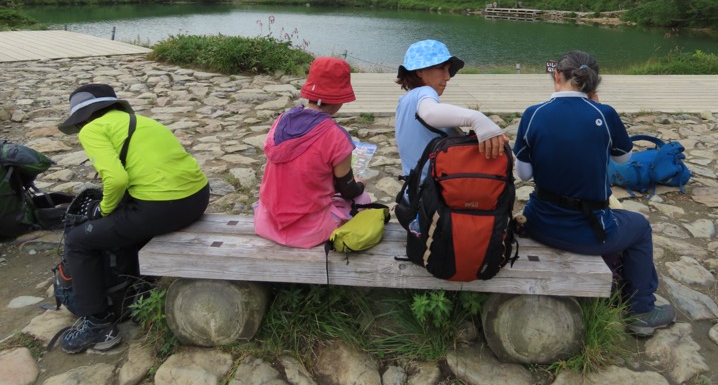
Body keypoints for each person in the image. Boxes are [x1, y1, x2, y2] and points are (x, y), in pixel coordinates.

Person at [513, 51, 676, 336]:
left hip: (541, 225)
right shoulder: (604, 113)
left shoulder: (533, 113)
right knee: (639, 227)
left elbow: (524, 174)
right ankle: (641, 311)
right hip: (588, 233)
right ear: (593, 84)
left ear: (557, 76)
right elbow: (623, 159)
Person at [57, 84, 209, 353]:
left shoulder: (93, 129)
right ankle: (138, 290)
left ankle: (98, 325)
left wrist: (102, 211)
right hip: (197, 199)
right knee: (122, 223)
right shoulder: (144, 122)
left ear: (83, 117)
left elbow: (116, 179)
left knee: (79, 240)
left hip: (162, 208)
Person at [254, 57, 371, 248]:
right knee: (363, 198)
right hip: (309, 231)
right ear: (340, 99)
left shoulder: (281, 121)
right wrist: (360, 184)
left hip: (267, 223)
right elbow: (348, 190)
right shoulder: (336, 137)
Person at [394, 40, 507, 225]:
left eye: (449, 70)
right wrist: (477, 118)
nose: (447, 77)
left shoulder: (405, 100)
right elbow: (430, 113)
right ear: (420, 71)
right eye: (441, 69)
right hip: (432, 205)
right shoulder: (424, 93)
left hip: (414, 200)